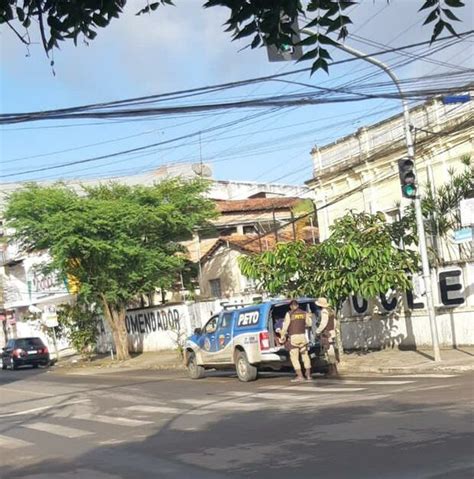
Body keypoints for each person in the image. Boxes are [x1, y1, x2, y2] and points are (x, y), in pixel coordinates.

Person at [279, 299, 313, 382]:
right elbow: (309, 324)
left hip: (294, 338)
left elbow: (285, 326)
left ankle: (300, 376)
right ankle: (308, 375)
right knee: (305, 356)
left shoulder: (289, 314)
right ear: (298, 305)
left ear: (291, 306)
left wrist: (282, 336)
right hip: (303, 337)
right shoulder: (304, 313)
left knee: (294, 358)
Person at [315, 297, 338, 377]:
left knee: (329, 352)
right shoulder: (331, 310)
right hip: (332, 332)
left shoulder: (324, 312)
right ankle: (332, 370)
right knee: (330, 350)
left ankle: (333, 371)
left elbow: (323, 323)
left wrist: (317, 331)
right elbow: (335, 322)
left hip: (326, 333)